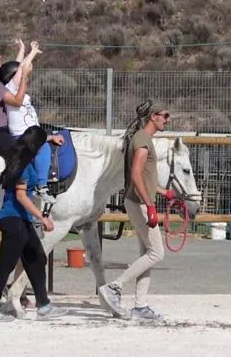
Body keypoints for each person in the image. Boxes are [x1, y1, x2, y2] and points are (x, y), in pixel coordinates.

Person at [97, 99, 176, 321]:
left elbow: (144, 177)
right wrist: (151, 206)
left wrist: (162, 192)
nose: (167, 120)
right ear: (154, 116)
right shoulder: (142, 140)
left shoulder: (143, 138)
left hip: (139, 201)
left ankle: (140, 306)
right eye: (165, 115)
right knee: (156, 253)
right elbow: (135, 175)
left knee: (147, 254)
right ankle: (114, 287)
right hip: (141, 204)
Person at [0, 125, 69, 322]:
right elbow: (21, 196)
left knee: (37, 258)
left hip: (21, 219)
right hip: (13, 219)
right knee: (6, 264)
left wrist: (48, 138)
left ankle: (44, 305)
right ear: (36, 146)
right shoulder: (23, 166)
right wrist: (42, 217)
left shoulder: (21, 159)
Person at [0, 38, 65, 206]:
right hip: (23, 135)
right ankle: (41, 186)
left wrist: (21, 50)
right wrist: (33, 52)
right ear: (13, 78)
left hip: (31, 133)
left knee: (46, 140)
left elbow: (17, 66)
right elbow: (20, 68)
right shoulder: (10, 88)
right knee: (42, 147)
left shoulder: (13, 87)